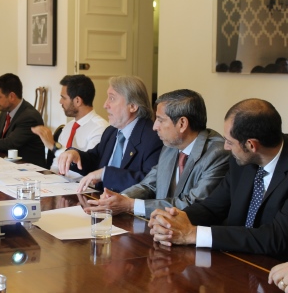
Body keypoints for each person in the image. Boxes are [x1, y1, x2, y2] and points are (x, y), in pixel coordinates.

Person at [149, 98, 288, 260]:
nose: (225, 147)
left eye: (229, 142)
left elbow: (276, 237)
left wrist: (194, 234)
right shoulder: (242, 161)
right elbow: (213, 206)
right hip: (234, 262)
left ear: (251, 145)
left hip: (274, 269)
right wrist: (174, 221)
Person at [85, 89, 230, 218]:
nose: (154, 127)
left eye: (160, 120)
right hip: (161, 229)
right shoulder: (171, 145)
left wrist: (130, 205)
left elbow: (193, 204)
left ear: (182, 124)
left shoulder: (217, 153)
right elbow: (149, 184)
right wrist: (118, 198)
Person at [57, 75, 163, 193]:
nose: (105, 105)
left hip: (127, 207)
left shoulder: (153, 138)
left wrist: (106, 174)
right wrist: (75, 155)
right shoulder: (111, 131)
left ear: (132, 106)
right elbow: (95, 159)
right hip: (100, 202)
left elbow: (150, 183)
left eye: (112, 98)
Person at [31, 74, 108, 172]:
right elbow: (56, 162)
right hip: (57, 181)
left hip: (79, 184)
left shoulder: (100, 129)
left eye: (63, 98)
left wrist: (53, 146)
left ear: (77, 101)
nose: (60, 102)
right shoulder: (69, 126)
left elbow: (87, 167)